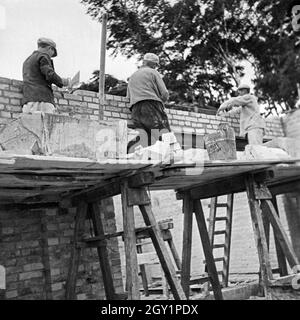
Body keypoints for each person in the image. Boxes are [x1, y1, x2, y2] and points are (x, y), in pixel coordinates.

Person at [126, 53, 171, 150]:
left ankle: (127, 150)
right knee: (165, 136)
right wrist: (162, 102)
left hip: (135, 110)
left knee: (145, 138)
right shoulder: (153, 72)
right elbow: (164, 93)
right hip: (151, 106)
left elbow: (128, 98)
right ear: (154, 64)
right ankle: (170, 158)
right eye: (156, 65)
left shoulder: (132, 76)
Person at [22, 37, 69, 114]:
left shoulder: (27, 61)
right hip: (43, 100)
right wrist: (62, 81)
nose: (50, 56)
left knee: (31, 125)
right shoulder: (43, 56)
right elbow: (49, 74)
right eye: (52, 54)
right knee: (47, 125)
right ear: (50, 48)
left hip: (28, 101)